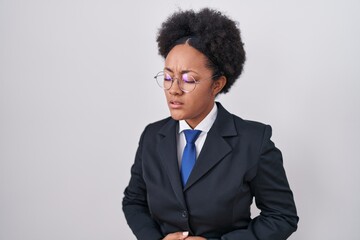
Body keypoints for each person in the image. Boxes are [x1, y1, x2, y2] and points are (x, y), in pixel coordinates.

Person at [122, 8, 298, 240]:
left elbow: (282, 216)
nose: (174, 89)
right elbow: (134, 202)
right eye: (167, 77)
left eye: (188, 79)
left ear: (217, 84)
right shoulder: (152, 136)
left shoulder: (254, 141)